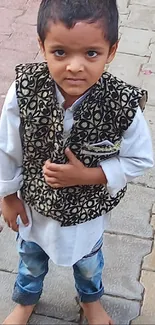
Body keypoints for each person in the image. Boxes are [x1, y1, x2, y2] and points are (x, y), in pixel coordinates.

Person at [0, 0, 153, 324]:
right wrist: (9, 195)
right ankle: (26, 301)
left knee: (88, 262)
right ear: (42, 46)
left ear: (112, 50)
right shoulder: (25, 89)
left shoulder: (122, 103)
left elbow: (141, 159)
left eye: (91, 54)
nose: (74, 67)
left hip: (87, 213)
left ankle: (90, 301)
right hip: (35, 208)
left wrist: (90, 175)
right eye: (60, 53)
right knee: (30, 258)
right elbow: (7, 147)